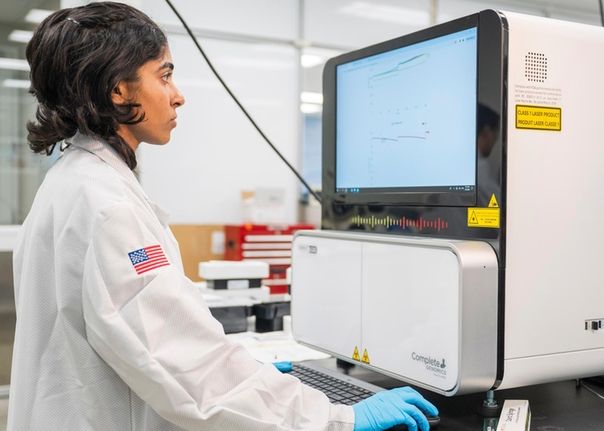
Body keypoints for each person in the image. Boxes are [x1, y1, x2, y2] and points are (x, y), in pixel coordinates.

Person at [9, 2, 438, 430]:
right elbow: (182, 366)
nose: (178, 94)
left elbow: (158, 341)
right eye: (164, 75)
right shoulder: (106, 205)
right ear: (118, 90)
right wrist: (338, 417)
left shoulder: (75, 181)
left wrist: (243, 373)